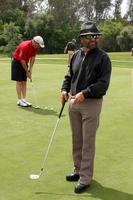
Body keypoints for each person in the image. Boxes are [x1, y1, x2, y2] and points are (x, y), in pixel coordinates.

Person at [61, 21, 112, 193]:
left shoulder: (103, 57)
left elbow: (103, 84)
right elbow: (69, 75)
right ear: (82, 38)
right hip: (74, 102)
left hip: (91, 103)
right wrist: (64, 89)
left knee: (87, 142)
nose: (94, 39)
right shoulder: (76, 55)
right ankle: (77, 170)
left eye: (96, 36)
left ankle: (85, 177)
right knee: (77, 139)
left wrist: (85, 93)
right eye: (90, 36)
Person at [11, 36, 44, 107]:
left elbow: (33, 58)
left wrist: (30, 70)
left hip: (24, 62)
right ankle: (19, 100)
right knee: (19, 81)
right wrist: (27, 71)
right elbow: (21, 60)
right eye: (38, 45)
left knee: (24, 81)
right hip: (17, 62)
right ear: (34, 42)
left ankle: (24, 99)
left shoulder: (35, 47)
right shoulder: (25, 46)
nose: (39, 47)